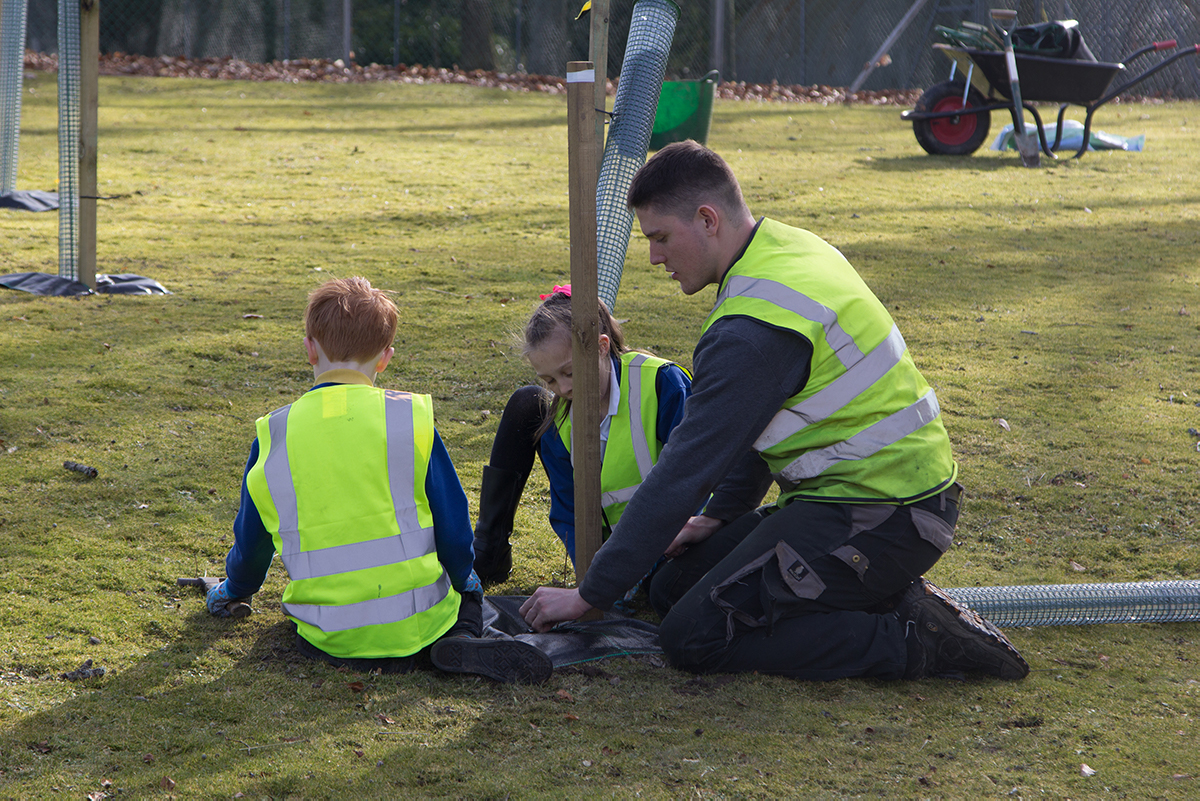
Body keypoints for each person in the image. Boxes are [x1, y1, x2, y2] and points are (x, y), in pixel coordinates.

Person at [520, 141, 1029, 682]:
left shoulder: (753, 329)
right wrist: (719, 517)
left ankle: (914, 639)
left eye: (661, 238)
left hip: (887, 513)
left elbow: (687, 470)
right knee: (672, 585)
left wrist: (588, 593)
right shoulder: (788, 250)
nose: (654, 258)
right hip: (857, 497)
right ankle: (873, 595)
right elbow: (758, 423)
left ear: (708, 219)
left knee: (693, 636)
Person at [205, 277, 552, 683]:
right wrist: (465, 579)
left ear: (309, 348)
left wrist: (232, 590)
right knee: (467, 597)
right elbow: (453, 523)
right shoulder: (408, 420)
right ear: (386, 357)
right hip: (421, 626)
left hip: (327, 638)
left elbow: (251, 545)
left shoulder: (273, 435)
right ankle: (462, 634)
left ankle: (446, 638)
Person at [472, 286, 692, 590]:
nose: (562, 389)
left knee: (668, 589)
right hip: (618, 555)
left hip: (678, 542)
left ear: (602, 347)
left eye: (570, 373)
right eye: (549, 380)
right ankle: (487, 548)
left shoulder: (661, 384)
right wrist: (594, 576)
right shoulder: (558, 423)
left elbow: (699, 474)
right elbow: (568, 511)